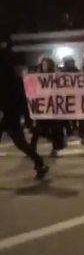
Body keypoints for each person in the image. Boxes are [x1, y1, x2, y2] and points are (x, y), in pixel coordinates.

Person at [0, 46, 48, 179]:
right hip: (9, 115)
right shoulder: (14, 79)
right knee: (21, 143)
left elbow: (20, 100)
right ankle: (39, 163)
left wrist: (27, 119)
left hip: (9, 115)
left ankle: (39, 163)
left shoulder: (11, 80)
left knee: (21, 143)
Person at [30, 57, 66, 157]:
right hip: (42, 107)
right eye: (43, 64)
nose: (44, 66)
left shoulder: (55, 76)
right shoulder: (38, 76)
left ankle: (55, 148)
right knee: (37, 129)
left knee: (55, 130)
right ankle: (32, 148)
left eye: (46, 64)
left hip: (53, 107)